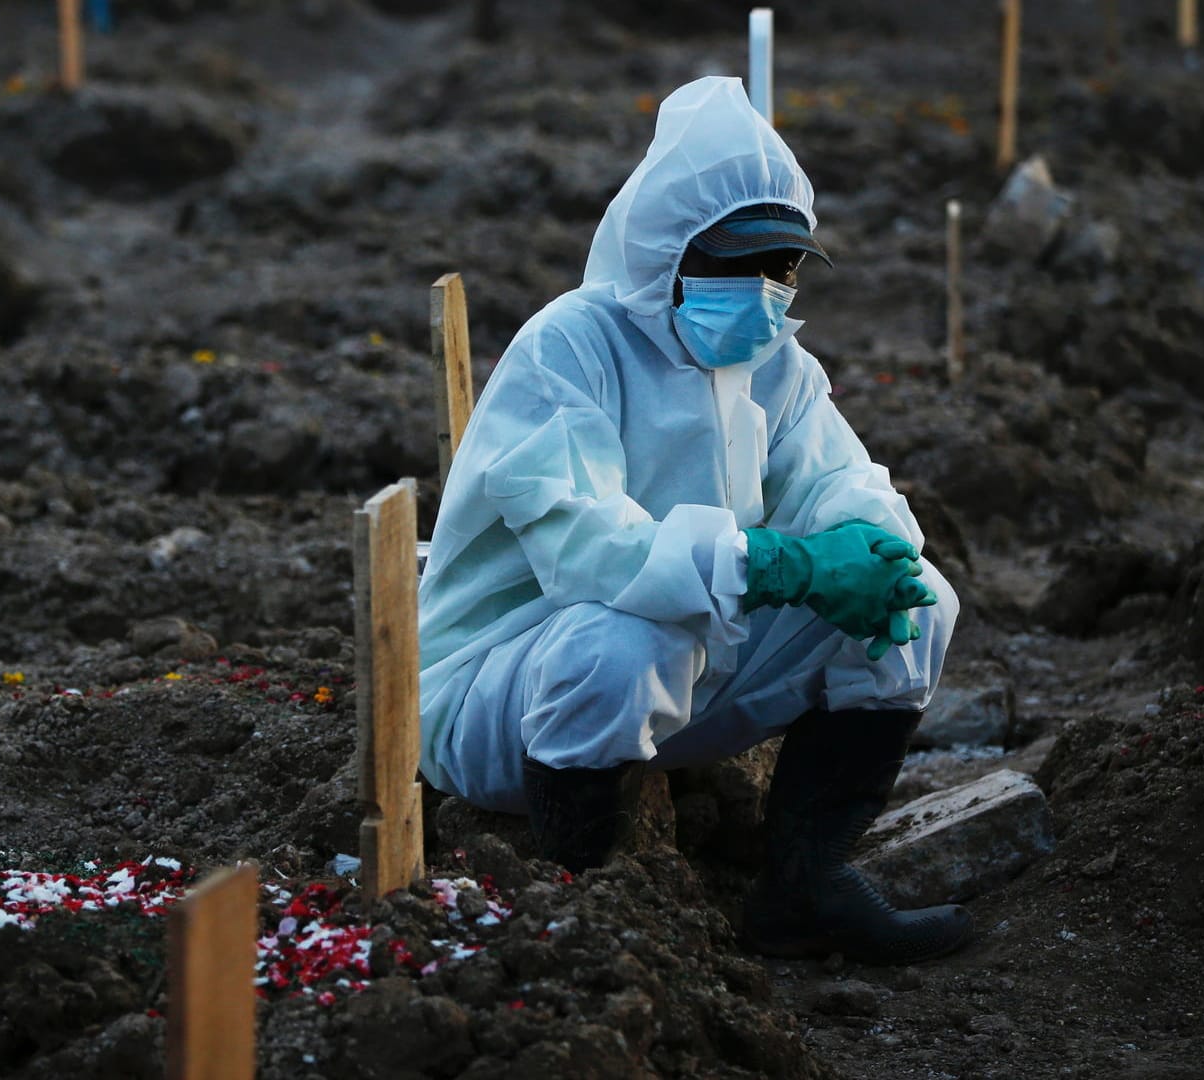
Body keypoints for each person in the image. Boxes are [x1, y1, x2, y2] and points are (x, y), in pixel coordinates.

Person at [415, 76, 970, 965]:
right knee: (627, 637)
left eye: (781, 267)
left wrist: (871, 545)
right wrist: (780, 564)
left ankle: (805, 887)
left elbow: (838, 477)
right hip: (502, 694)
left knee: (913, 606)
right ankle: (584, 910)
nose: (761, 291)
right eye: (733, 262)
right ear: (665, 251)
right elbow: (585, 543)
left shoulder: (773, 363)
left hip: (674, 687)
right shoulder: (572, 346)